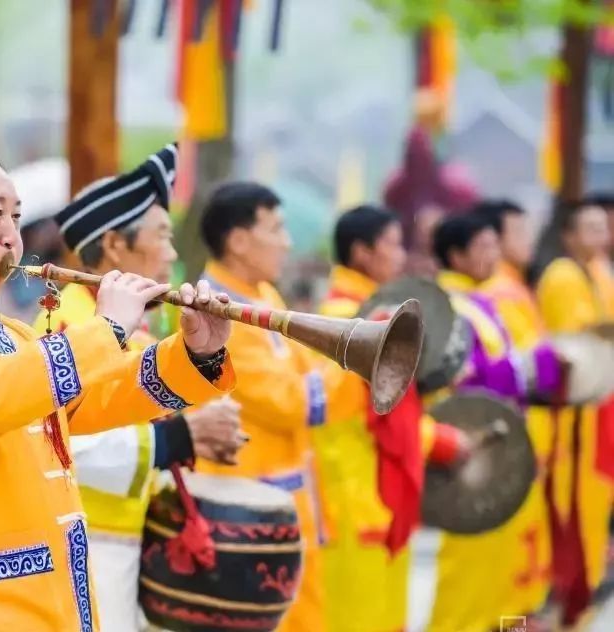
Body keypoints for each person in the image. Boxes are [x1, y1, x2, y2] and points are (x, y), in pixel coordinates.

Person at [0, 141, 238, 631]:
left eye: (16, 217)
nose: (12, 236)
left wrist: (196, 353)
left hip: (44, 599)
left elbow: (91, 397)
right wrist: (107, 329)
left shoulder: (11, 333)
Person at [32, 144, 244, 632]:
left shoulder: (138, 330)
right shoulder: (63, 326)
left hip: (125, 544)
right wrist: (177, 439)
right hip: (82, 545)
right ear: (114, 246)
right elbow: (53, 439)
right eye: (162, 236)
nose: (172, 253)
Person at [194, 182, 338, 632]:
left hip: (287, 504)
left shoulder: (263, 296)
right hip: (246, 518)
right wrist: (352, 374)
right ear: (238, 241)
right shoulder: (221, 310)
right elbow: (293, 402)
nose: (287, 242)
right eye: (275, 229)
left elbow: (305, 370)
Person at [427, 214, 564, 632]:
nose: (493, 256)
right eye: (483, 248)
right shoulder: (446, 306)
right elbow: (467, 379)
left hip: (496, 447)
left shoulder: (480, 301)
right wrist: (532, 365)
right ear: (457, 255)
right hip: (468, 453)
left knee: (500, 571)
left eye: (493, 245)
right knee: (469, 575)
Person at [313, 204, 436, 632]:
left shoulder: (373, 311)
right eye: (393, 244)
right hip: (353, 491)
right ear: (362, 252)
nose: (401, 256)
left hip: (369, 490)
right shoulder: (346, 320)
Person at [535, 200, 614, 627]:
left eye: (604, 226)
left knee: (594, 511)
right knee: (571, 516)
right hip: (571, 417)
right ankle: (567, 603)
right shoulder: (562, 276)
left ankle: (581, 602)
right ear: (568, 235)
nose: (600, 235)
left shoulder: (600, 272)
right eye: (590, 227)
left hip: (599, 409)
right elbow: (581, 340)